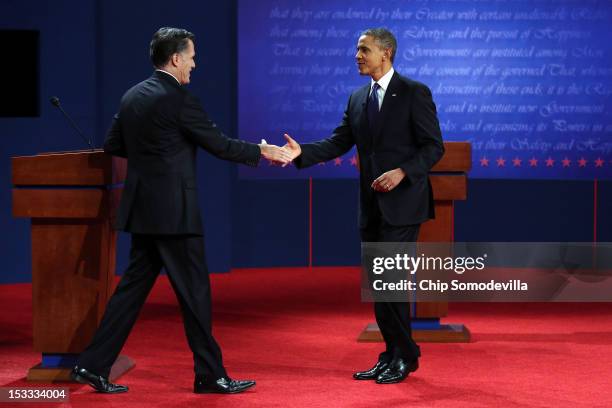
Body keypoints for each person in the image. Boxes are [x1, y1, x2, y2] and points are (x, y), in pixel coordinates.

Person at [71, 27, 292, 394]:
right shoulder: (178, 99)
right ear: (175, 58)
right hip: (175, 213)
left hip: (144, 210)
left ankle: (91, 365)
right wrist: (262, 151)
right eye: (191, 56)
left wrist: (154, 157)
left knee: (131, 292)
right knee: (195, 294)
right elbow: (218, 144)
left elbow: (113, 144)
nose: (194, 63)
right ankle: (210, 374)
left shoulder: (132, 96)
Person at [283, 28, 444, 384]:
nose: (357, 55)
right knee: (379, 283)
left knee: (392, 282)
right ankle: (391, 354)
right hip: (370, 206)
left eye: (363, 49)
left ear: (385, 53)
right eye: (357, 49)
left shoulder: (414, 92)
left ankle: (407, 356)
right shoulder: (358, 98)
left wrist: (403, 171)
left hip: (403, 205)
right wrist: (301, 153)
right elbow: (339, 141)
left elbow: (433, 147)